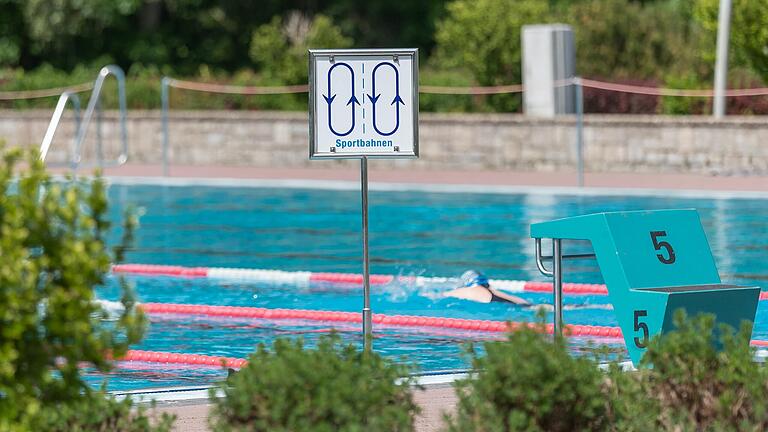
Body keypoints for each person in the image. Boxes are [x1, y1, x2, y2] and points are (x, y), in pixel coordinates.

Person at [444, 270, 532, 306]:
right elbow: (525, 304)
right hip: (500, 301)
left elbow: (442, 296)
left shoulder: (464, 291)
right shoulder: (494, 291)